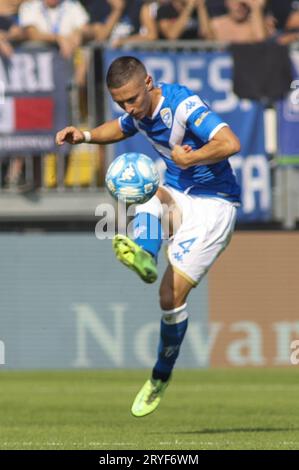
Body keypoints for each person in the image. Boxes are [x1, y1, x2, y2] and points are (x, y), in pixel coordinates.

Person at [56, 56, 241, 417]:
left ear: (149, 83)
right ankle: (144, 253)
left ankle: (160, 375)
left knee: (169, 298)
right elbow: (122, 127)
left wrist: (193, 158)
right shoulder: (137, 112)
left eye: (131, 100)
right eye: (120, 102)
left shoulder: (183, 105)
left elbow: (230, 143)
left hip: (216, 205)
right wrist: (86, 135)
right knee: (146, 190)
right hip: (179, 195)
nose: (128, 108)